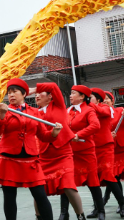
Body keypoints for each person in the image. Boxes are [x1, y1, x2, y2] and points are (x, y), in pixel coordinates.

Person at [0, 78, 62, 220]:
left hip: (30, 159)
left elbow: (43, 136)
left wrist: (54, 133)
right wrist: (2, 115)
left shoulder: (35, 112)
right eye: (9, 92)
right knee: (9, 197)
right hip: (9, 158)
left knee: (41, 195)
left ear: (24, 94)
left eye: (14, 92)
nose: (11, 95)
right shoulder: (4, 110)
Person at [34, 82, 85, 220]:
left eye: (40, 93)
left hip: (62, 152)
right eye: (36, 94)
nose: (37, 96)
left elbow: (53, 86)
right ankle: (39, 217)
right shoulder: (34, 113)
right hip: (44, 155)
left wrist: (34, 89)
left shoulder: (59, 106)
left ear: (50, 97)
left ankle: (80, 216)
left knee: (68, 185)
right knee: (39, 190)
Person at [60, 85, 104, 220]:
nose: (70, 95)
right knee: (66, 182)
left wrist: (79, 135)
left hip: (86, 152)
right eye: (71, 93)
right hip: (70, 153)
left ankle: (100, 211)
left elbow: (95, 125)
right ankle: (64, 213)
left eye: (73, 93)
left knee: (93, 182)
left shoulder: (89, 110)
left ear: (82, 96)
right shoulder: (68, 111)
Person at [88, 88, 124, 219]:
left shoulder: (105, 108)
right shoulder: (85, 110)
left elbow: (100, 111)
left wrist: (86, 103)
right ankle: (98, 208)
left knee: (108, 176)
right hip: (91, 148)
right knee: (93, 179)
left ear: (98, 99)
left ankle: (122, 204)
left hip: (105, 147)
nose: (88, 100)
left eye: (91, 97)